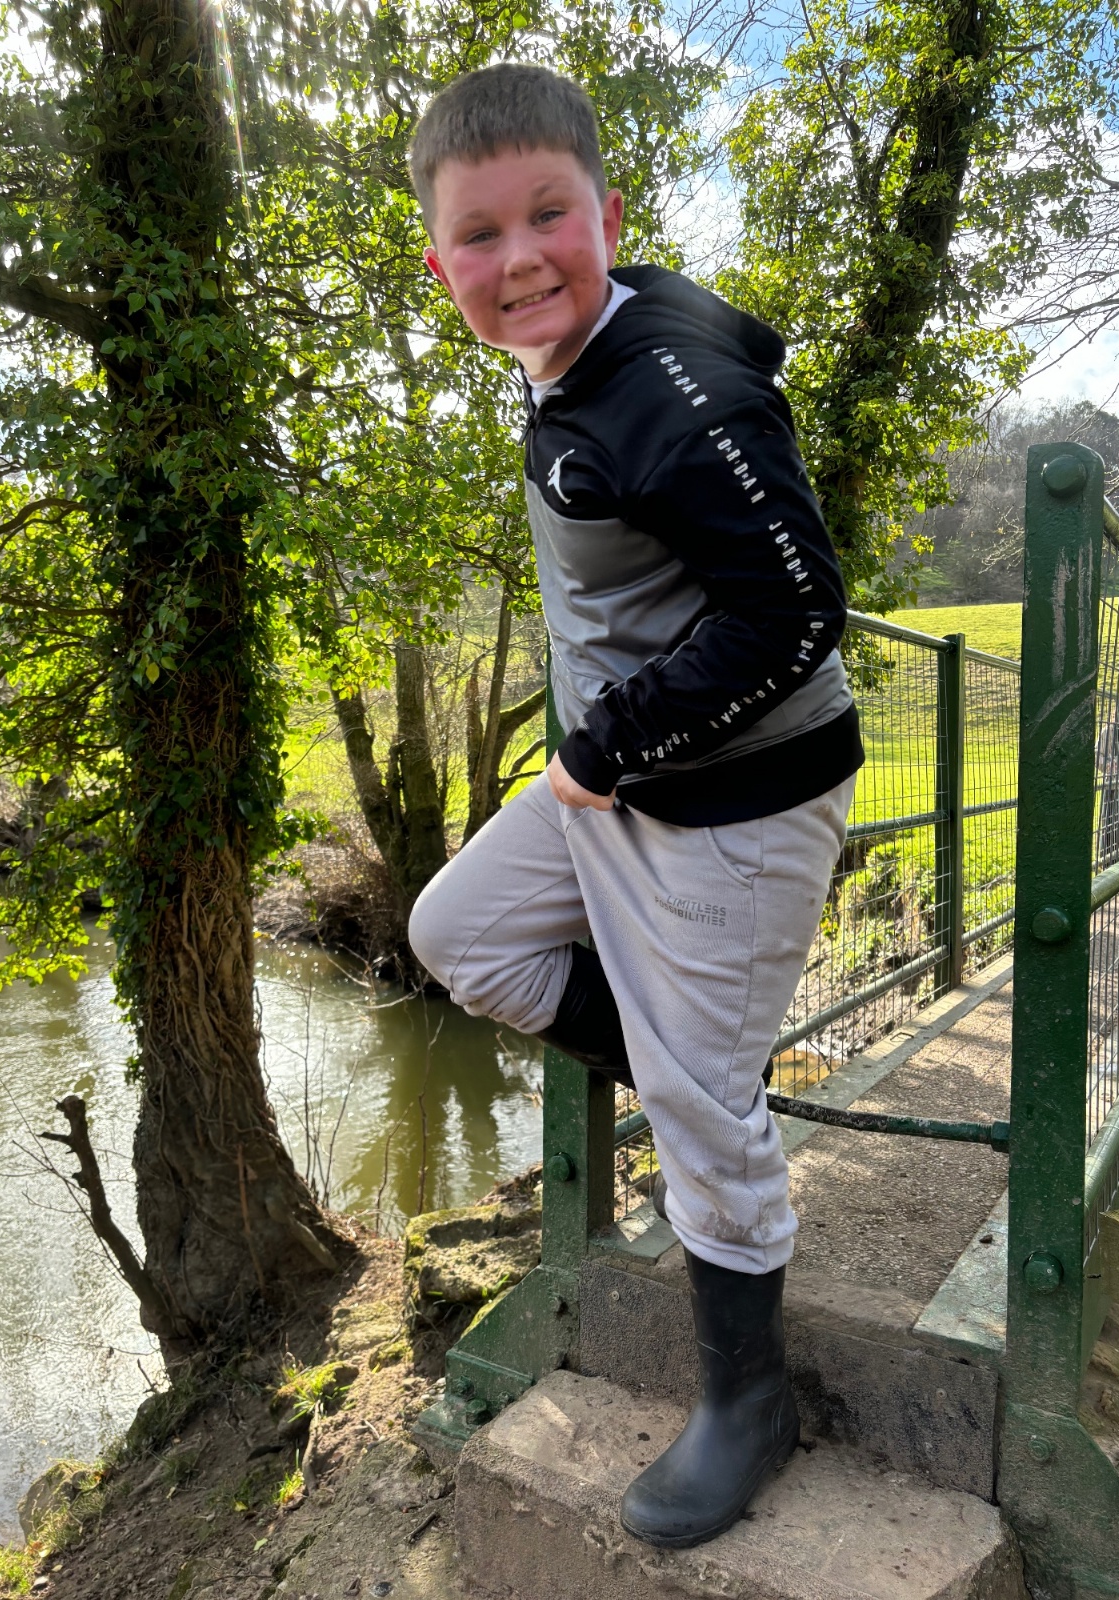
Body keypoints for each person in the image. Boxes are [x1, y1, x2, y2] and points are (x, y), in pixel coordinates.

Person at [404, 63, 863, 1549]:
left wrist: (602, 747)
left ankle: (751, 1401)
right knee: (458, 931)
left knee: (702, 1111)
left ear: (609, 210)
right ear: (439, 260)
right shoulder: (571, 353)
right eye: (481, 234)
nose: (520, 257)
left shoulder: (670, 393)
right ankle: (697, 1074)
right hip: (629, 781)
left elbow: (794, 612)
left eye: (550, 216)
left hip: (730, 802)